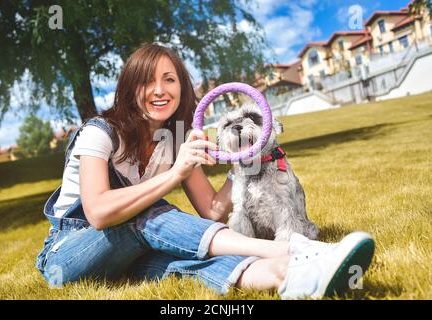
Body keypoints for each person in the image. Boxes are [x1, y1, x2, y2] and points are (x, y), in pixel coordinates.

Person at [36, 43, 375, 299]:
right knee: (149, 214)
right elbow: (97, 212)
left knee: (186, 262)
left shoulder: (173, 141)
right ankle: (293, 249)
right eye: (147, 81)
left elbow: (212, 209)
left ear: (181, 88)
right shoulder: (99, 132)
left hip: (122, 259)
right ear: (129, 89)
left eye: (169, 79)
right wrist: (174, 174)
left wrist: (243, 161)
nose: (159, 89)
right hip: (67, 257)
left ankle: (294, 277)